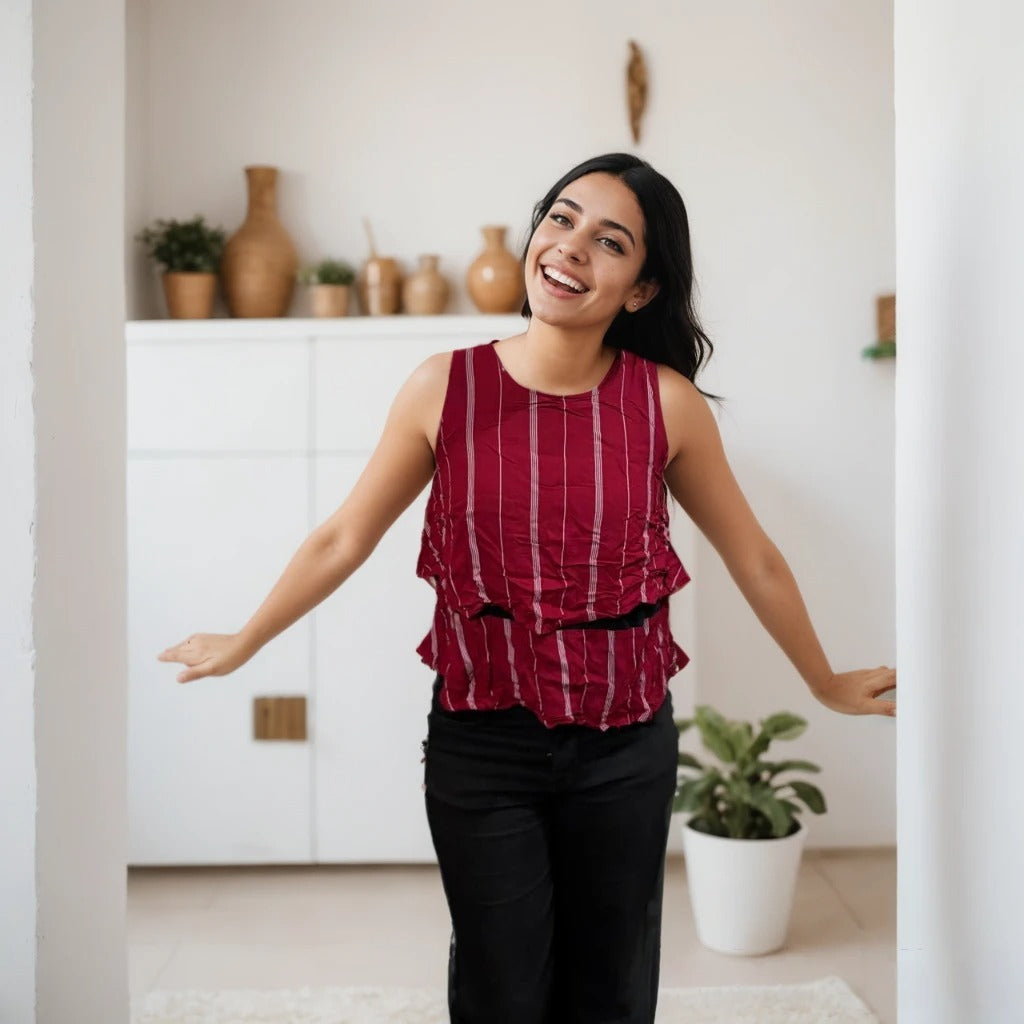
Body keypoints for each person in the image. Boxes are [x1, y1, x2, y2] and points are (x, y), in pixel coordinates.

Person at [159, 152, 897, 1024]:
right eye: (561, 218)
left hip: (626, 748)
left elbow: (755, 558)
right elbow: (343, 536)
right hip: (482, 744)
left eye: (609, 241)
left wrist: (824, 680)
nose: (572, 247)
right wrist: (246, 639)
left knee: (612, 986)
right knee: (501, 986)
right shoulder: (443, 387)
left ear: (640, 290)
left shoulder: (666, 405)